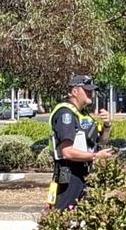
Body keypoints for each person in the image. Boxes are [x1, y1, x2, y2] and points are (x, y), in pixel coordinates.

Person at [48, 75, 116, 209]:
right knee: (63, 217)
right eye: (87, 90)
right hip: (70, 175)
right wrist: (96, 156)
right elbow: (67, 152)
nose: (91, 93)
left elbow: (101, 142)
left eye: (91, 90)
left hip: (84, 172)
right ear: (74, 92)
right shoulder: (65, 114)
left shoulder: (83, 114)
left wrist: (107, 125)